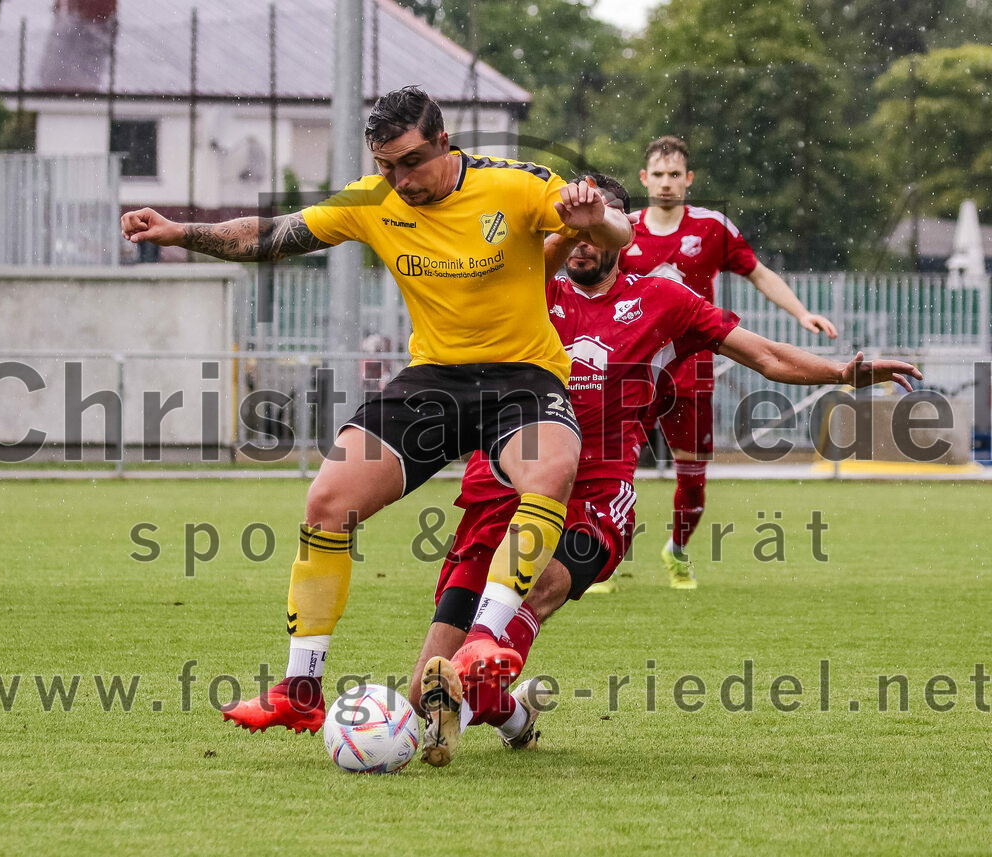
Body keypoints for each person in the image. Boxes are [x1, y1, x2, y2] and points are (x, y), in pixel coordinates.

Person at [120, 86, 633, 735]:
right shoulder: (373, 199)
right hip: (435, 378)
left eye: (411, 162)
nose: (399, 179)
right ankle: (300, 688)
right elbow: (273, 235)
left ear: (444, 143)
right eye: (386, 165)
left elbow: (617, 230)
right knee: (327, 500)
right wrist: (177, 231)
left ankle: (484, 638)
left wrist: (596, 216)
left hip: (522, 376)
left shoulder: (518, 185)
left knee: (550, 468)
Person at [413, 174, 921, 766]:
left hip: (596, 491)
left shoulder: (663, 302)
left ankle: (484, 653)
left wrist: (840, 374)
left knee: (540, 586)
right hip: (499, 480)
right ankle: (510, 711)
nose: (580, 239)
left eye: (596, 226)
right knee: (428, 682)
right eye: (570, 227)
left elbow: (764, 354)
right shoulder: (529, 289)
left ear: (622, 234)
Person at [604, 135, 841, 590]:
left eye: (675, 175)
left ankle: (676, 550)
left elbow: (758, 272)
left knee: (692, 479)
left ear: (689, 180)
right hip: (635, 368)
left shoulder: (712, 227)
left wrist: (801, 312)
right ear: (643, 178)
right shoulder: (623, 230)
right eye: (658, 174)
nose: (667, 183)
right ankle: (605, 559)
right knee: (612, 469)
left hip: (691, 369)